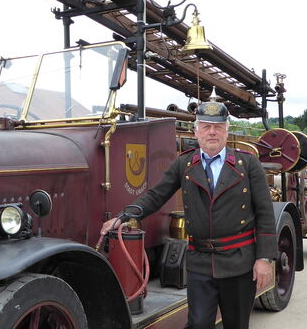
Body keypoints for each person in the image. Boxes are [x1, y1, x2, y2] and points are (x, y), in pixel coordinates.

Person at [101, 100, 277, 329]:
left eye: (218, 127)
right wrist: (123, 217)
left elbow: (265, 213)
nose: (212, 132)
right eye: (205, 126)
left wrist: (264, 259)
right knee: (198, 324)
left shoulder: (248, 164)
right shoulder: (184, 164)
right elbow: (156, 195)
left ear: (226, 130)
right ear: (196, 131)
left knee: (236, 325)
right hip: (200, 263)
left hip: (238, 262)